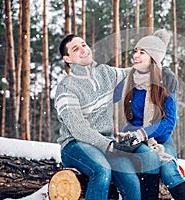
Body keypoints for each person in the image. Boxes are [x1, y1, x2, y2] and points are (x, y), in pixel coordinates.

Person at [54, 33, 178, 200]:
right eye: (76, 49)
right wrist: (109, 145)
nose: (83, 49)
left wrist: (163, 71)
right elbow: (79, 129)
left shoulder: (105, 73)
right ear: (67, 59)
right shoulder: (66, 87)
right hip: (75, 145)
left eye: (84, 44)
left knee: (131, 182)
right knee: (101, 170)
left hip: (107, 144)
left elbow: (135, 71)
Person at [116, 29, 185, 200]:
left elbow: (169, 123)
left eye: (142, 52)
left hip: (161, 138)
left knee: (169, 170)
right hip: (132, 137)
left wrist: (144, 133)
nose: (135, 56)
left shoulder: (166, 82)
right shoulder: (129, 78)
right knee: (150, 157)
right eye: (136, 51)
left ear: (153, 57)